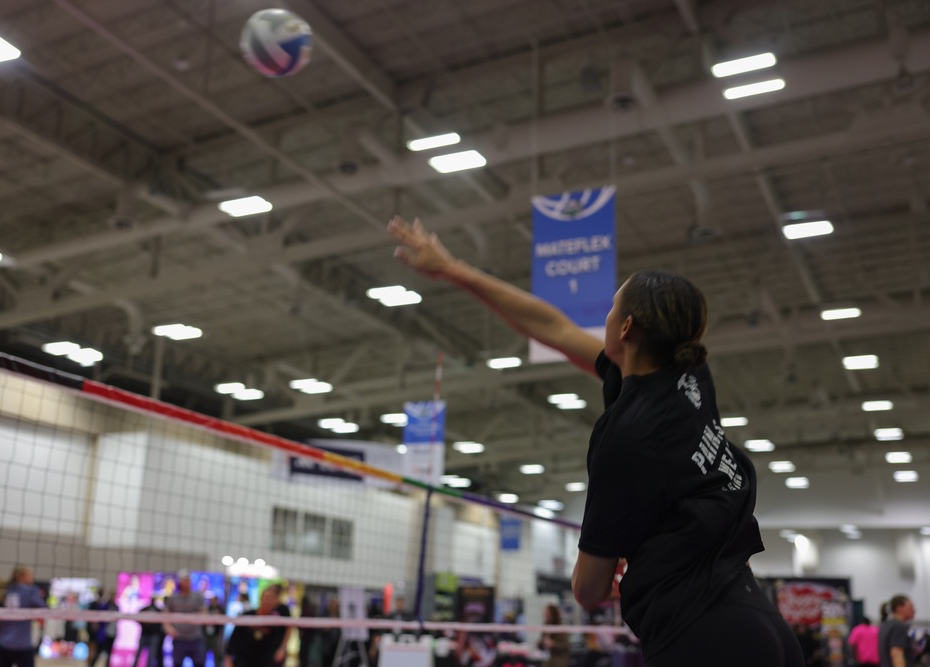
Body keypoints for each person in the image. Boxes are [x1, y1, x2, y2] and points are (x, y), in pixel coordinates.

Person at [388, 216, 804, 667]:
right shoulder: (688, 375)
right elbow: (553, 327)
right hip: (761, 622)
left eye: (610, 308)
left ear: (625, 328)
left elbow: (587, 590)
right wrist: (452, 268)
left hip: (704, 639)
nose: (600, 317)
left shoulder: (627, 435)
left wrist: (604, 575)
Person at [225, 583, 292, 667]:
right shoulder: (247, 616)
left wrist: (282, 649)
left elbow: (287, 631)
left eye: (271, 599)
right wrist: (228, 658)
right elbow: (234, 639)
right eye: (266, 598)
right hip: (244, 661)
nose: (268, 601)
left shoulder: (275, 623)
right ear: (261, 598)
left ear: (275, 602)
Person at [0, 565, 47, 667]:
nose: (33, 578)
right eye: (30, 575)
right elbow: (43, 607)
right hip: (22, 644)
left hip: (4, 643)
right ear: (20, 577)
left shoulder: (5, 589)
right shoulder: (31, 591)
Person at [164, 571, 207, 667]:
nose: (187, 582)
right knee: (177, 664)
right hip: (179, 638)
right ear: (180, 582)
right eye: (184, 580)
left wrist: (199, 617)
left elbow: (204, 613)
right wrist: (168, 628)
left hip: (195, 637)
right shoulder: (174, 598)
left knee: (199, 664)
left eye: (188, 580)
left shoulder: (197, 596)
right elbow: (166, 615)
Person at [879, 595, 917, 667]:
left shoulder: (885, 625)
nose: (914, 610)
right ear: (899, 608)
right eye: (910, 607)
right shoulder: (899, 627)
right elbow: (896, 654)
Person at [88, 588, 118, 667]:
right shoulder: (105, 605)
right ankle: (91, 664)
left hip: (112, 633)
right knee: (97, 651)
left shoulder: (116, 606)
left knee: (108, 653)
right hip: (104, 633)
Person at [133, 599, 164, 667]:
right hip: (145, 635)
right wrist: (143, 623)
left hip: (154, 636)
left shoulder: (158, 610)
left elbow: (162, 621)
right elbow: (137, 617)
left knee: (151, 656)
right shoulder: (145, 609)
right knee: (139, 654)